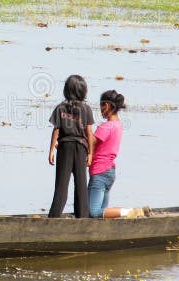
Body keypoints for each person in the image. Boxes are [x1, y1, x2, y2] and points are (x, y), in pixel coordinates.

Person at [48, 74, 94, 218]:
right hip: (81, 147)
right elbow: (89, 133)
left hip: (65, 146)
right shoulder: (86, 108)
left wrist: (50, 151)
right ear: (83, 91)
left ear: (67, 90)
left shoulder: (60, 107)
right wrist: (91, 153)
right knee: (81, 184)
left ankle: (54, 217)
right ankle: (82, 217)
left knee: (61, 184)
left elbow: (56, 129)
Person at [87, 90, 125, 218]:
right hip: (109, 172)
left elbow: (91, 142)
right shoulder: (118, 125)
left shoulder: (106, 126)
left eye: (101, 106)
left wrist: (86, 128)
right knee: (103, 212)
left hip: (100, 172)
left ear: (107, 105)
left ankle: (128, 212)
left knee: (94, 212)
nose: (101, 111)